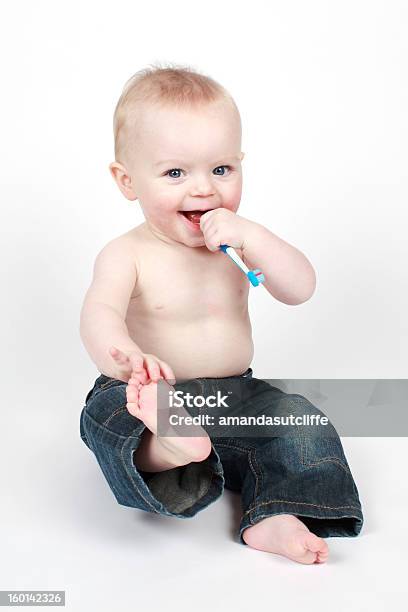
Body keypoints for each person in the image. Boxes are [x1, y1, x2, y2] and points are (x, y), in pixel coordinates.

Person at [79, 64, 363, 564]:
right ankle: (172, 445)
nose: (203, 189)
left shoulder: (238, 243)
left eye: (221, 169)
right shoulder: (128, 253)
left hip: (234, 393)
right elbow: (99, 312)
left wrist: (255, 239)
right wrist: (126, 360)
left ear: (240, 164)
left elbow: (300, 288)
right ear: (128, 181)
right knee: (110, 420)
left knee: (300, 423)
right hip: (147, 391)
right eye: (174, 173)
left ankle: (274, 513)